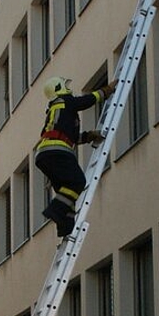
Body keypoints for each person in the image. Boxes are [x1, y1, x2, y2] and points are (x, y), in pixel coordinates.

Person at [35, 76, 118, 237]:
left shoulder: (57, 110)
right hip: (57, 151)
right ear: (59, 88)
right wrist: (105, 91)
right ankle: (55, 210)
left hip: (46, 153)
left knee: (67, 194)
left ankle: (65, 227)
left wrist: (89, 136)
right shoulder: (66, 101)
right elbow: (87, 101)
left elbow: (69, 136)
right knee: (78, 182)